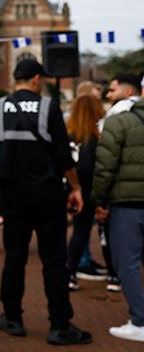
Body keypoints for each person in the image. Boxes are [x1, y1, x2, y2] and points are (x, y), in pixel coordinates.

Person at [0, 59, 91, 345]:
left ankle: (12, 317)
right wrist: (76, 188)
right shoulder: (48, 107)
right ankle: (60, 325)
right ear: (35, 79)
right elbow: (62, 155)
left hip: (11, 193)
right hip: (46, 193)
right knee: (54, 261)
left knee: (15, 257)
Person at [93, 79, 144, 342]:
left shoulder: (118, 121)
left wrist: (99, 201)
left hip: (127, 202)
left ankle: (140, 321)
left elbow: (105, 166)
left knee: (128, 264)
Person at [64, 94, 113, 291]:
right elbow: (97, 168)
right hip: (93, 190)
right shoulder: (96, 138)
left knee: (79, 232)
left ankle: (70, 274)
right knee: (105, 233)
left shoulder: (69, 135)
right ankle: (114, 276)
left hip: (75, 190)